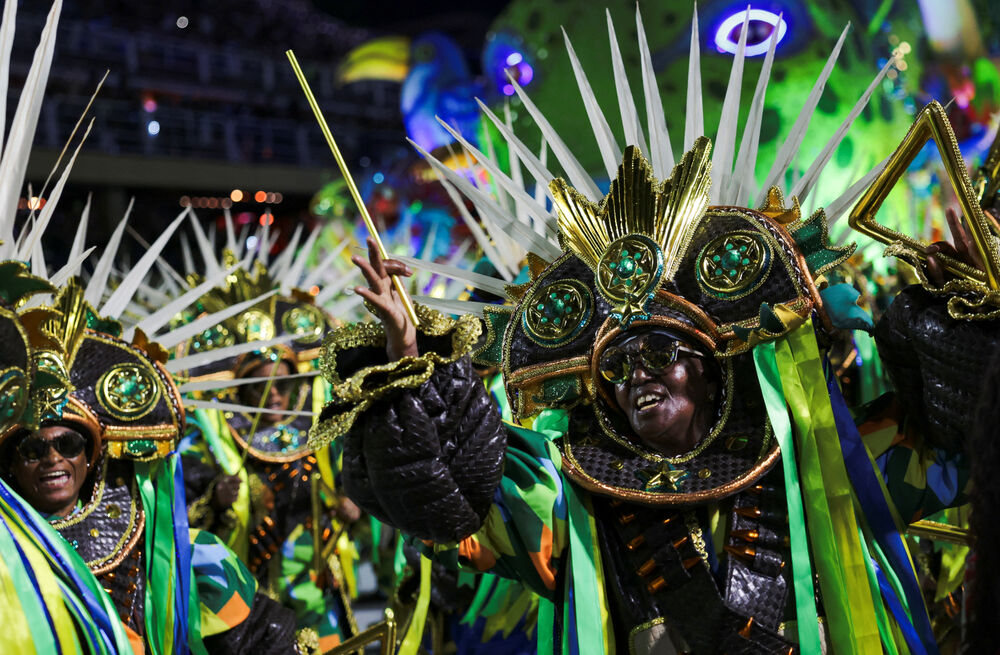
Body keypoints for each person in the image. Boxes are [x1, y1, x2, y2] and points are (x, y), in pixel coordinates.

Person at [308, 10, 995, 653]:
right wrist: (410, 368)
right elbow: (458, 491)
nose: (634, 373)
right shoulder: (577, 500)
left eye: (659, 351)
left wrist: (971, 315)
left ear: (711, 360)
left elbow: (960, 442)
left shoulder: (820, 464)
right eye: (614, 365)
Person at [0, 279, 306, 655]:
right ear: (12, 465)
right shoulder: (6, 556)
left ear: (90, 455)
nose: (53, 458)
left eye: (68, 444)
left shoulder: (167, 549)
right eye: (33, 448)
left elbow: (257, 634)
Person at [179, 260, 360, 653]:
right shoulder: (210, 438)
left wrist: (348, 505)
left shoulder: (321, 429)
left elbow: (351, 484)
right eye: (261, 386)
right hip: (250, 589)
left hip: (313, 582)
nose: (274, 395)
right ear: (240, 391)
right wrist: (215, 499)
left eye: (282, 383)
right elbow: (181, 518)